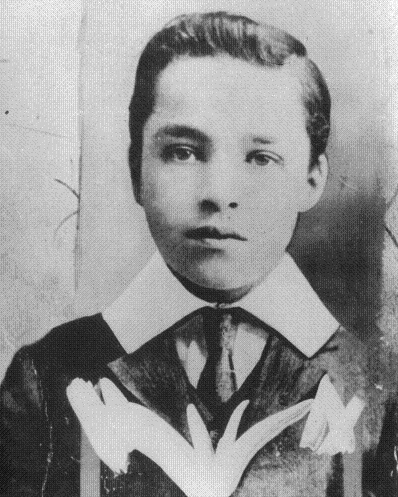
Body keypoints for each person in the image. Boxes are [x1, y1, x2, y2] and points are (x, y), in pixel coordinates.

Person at [1, 11, 397, 497]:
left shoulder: (380, 386)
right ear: (136, 170)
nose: (218, 192)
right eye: (183, 152)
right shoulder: (46, 376)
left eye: (260, 157)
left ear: (312, 178)